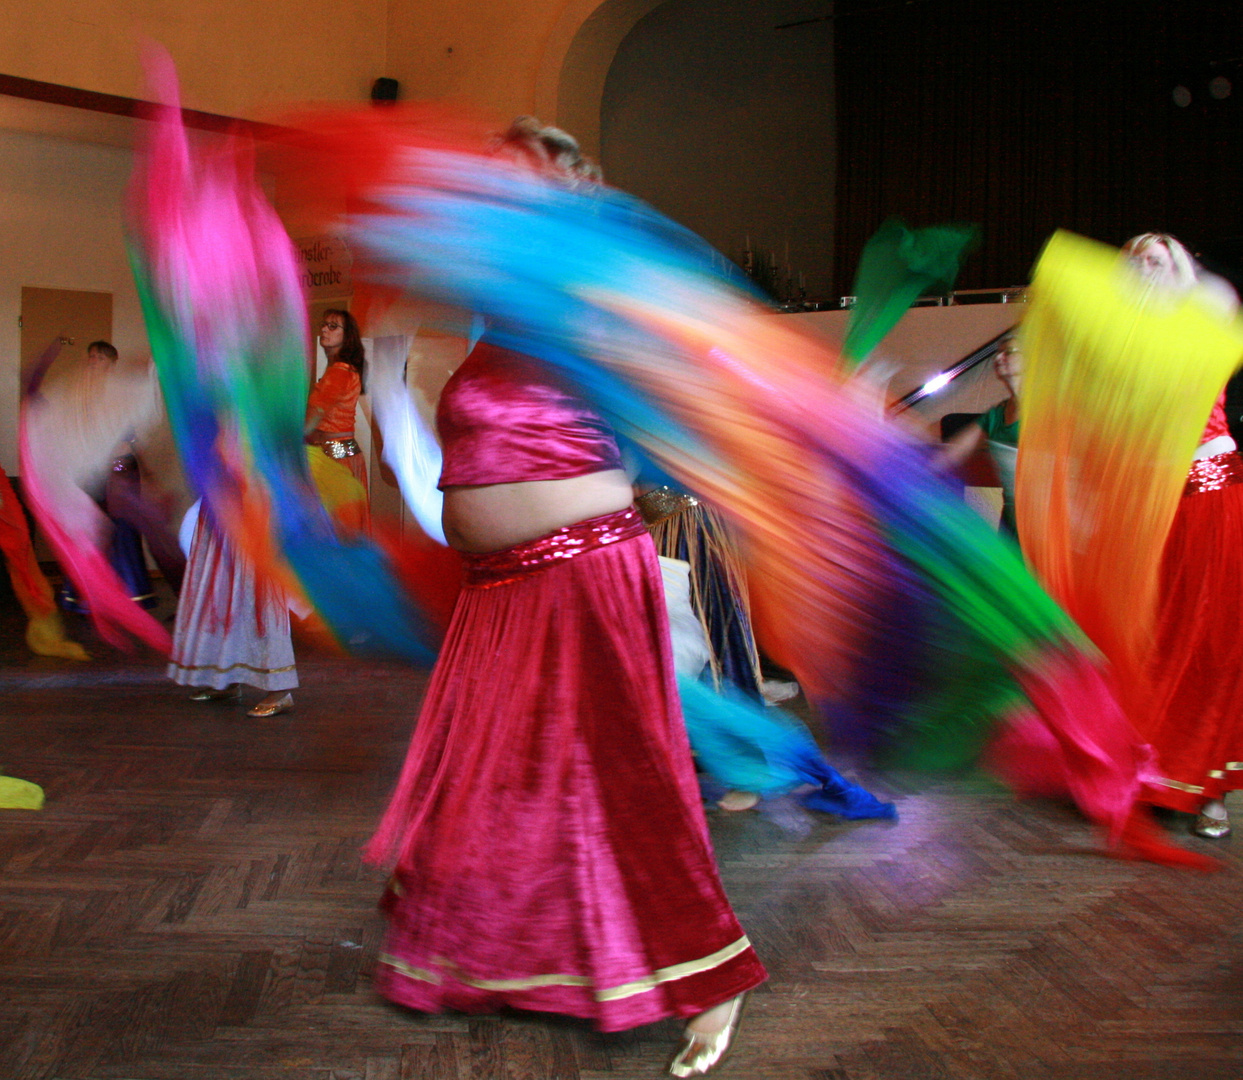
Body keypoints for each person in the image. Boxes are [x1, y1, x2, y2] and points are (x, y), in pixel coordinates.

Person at [364, 120, 764, 1078]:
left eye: (527, 182)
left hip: (586, 567)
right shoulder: (497, 313)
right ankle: (511, 949)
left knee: (626, 776)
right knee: (500, 780)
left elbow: (687, 378)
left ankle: (714, 977)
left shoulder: (599, 294)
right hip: (497, 586)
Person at [1122, 233, 1243, 839]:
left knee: (1210, 641)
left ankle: (1211, 787)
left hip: (1209, 493)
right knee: (1154, 639)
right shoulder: (1118, 342)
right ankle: (1162, 772)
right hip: (1148, 504)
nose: (1149, 266)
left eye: (1160, 258)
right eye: (1138, 259)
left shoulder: (1210, 315)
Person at [938, 333, 1022, 536]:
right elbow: (950, 455)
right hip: (1012, 525)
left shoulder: (1052, 411)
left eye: (1008, 351)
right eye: (998, 353)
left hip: (1047, 529)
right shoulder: (996, 416)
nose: (998, 358)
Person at [305, 309, 368, 496]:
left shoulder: (339, 371)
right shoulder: (345, 369)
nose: (324, 330)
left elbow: (311, 421)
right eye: (324, 325)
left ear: (347, 335)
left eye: (333, 327)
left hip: (333, 458)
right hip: (342, 454)